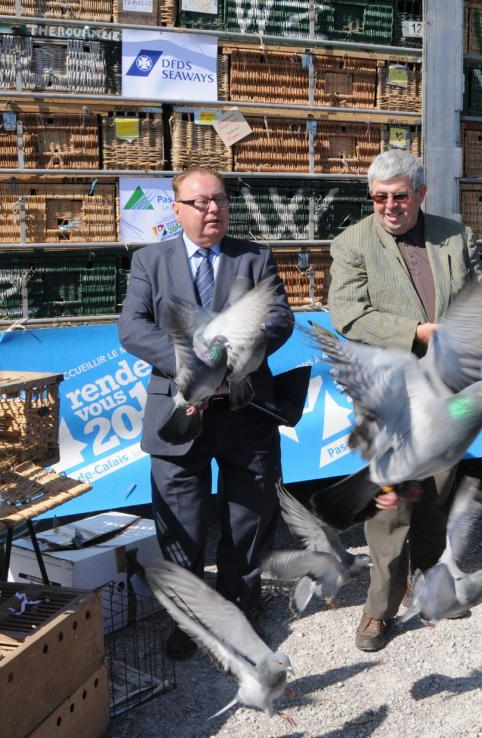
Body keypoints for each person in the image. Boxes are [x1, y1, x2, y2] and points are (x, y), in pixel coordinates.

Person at [119, 167, 295, 659]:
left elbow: (279, 317)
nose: (211, 209)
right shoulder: (149, 261)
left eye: (218, 199)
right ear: (176, 210)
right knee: (181, 524)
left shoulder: (254, 257)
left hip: (247, 410)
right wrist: (191, 362)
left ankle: (241, 607)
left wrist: (237, 352)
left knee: (248, 519)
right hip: (179, 413)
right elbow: (132, 327)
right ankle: (190, 617)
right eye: (198, 202)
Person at [328, 149, 482, 652]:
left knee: (436, 496)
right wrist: (416, 332)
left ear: (421, 193)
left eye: (398, 196)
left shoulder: (455, 236)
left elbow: (475, 299)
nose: (388, 206)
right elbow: (347, 315)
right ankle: (380, 608)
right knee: (390, 506)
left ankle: (428, 583)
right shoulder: (353, 242)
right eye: (378, 198)